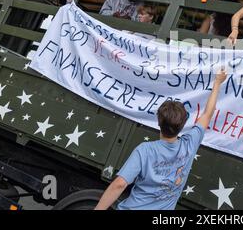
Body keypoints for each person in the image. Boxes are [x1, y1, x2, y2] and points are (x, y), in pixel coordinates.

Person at [94, 69, 228, 210]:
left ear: (158, 122)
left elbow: (120, 184)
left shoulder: (145, 150)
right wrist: (217, 83)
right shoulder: (189, 145)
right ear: (182, 126)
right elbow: (208, 114)